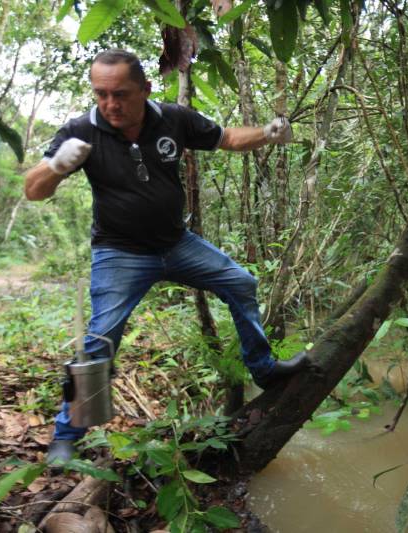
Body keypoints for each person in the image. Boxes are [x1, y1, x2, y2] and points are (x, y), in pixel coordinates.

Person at [24, 49, 309, 463]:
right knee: (100, 339)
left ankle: (264, 370)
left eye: (120, 94)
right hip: (119, 252)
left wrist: (267, 133)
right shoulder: (80, 130)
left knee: (241, 282)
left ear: (145, 88)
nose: (110, 105)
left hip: (177, 244)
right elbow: (33, 190)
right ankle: (66, 435)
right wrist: (55, 165)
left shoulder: (173, 118)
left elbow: (226, 138)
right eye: (101, 94)